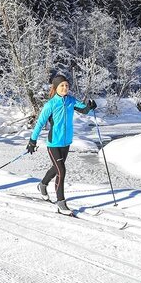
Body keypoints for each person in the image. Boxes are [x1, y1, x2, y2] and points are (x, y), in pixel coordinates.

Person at [27, 73, 96, 215]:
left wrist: (90, 106)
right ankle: (61, 203)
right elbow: (40, 123)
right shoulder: (51, 104)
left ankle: (42, 185)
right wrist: (32, 141)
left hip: (66, 142)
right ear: (56, 87)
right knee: (61, 171)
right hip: (54, 143)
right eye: (62, 85)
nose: (65, 87)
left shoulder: (70, 100)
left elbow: (83, 109)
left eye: (66, 85)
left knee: (56, 168)